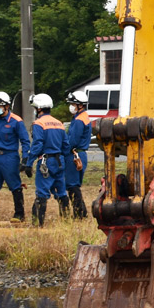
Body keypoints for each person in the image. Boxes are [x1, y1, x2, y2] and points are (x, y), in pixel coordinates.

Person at [0, 91, 31, 223]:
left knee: (15, 185)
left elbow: (25, 142)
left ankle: (19, 214)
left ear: (6, 106)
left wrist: (25, 159)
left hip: (10, 157)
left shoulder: (16, 121)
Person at [22, 93, 70, 226]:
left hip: (46, 162)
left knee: (42, 192)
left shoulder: (39, 123)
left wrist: (29, 162)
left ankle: (38, 223)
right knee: (61, 192)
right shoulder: (59, 123)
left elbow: (37, 144)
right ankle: (67, 221)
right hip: (60, 161)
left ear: (38, 108)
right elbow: (66, 145)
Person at [64, 90, 90, 219]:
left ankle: (80, 213)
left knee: (72, 184)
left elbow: (73, 140)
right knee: (73, 185)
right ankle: (80, 212)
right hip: (79, 154)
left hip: (74, 155)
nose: (71, 106)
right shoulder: (81, 117)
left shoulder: (79, 120)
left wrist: (62, 151)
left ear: (80, 105)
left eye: (73, 104)